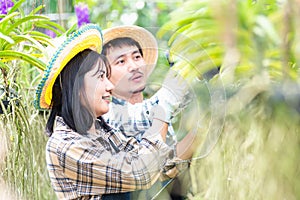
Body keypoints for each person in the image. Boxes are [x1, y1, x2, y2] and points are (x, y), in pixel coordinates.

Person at [35, 23, 182, 200]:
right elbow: (139, 173)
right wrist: (163, 109)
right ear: (75, 86)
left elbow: (149, 160)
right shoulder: (65, 144)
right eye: (100, 77)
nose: (110, 86)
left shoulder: (101, 131)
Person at [101, 25, 196, 199]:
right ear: (104, 77)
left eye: (137, 57)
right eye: (121, 61)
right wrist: (171, 93)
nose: (133, 66)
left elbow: (169, 165)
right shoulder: (106, 117)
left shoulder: (151, 109)